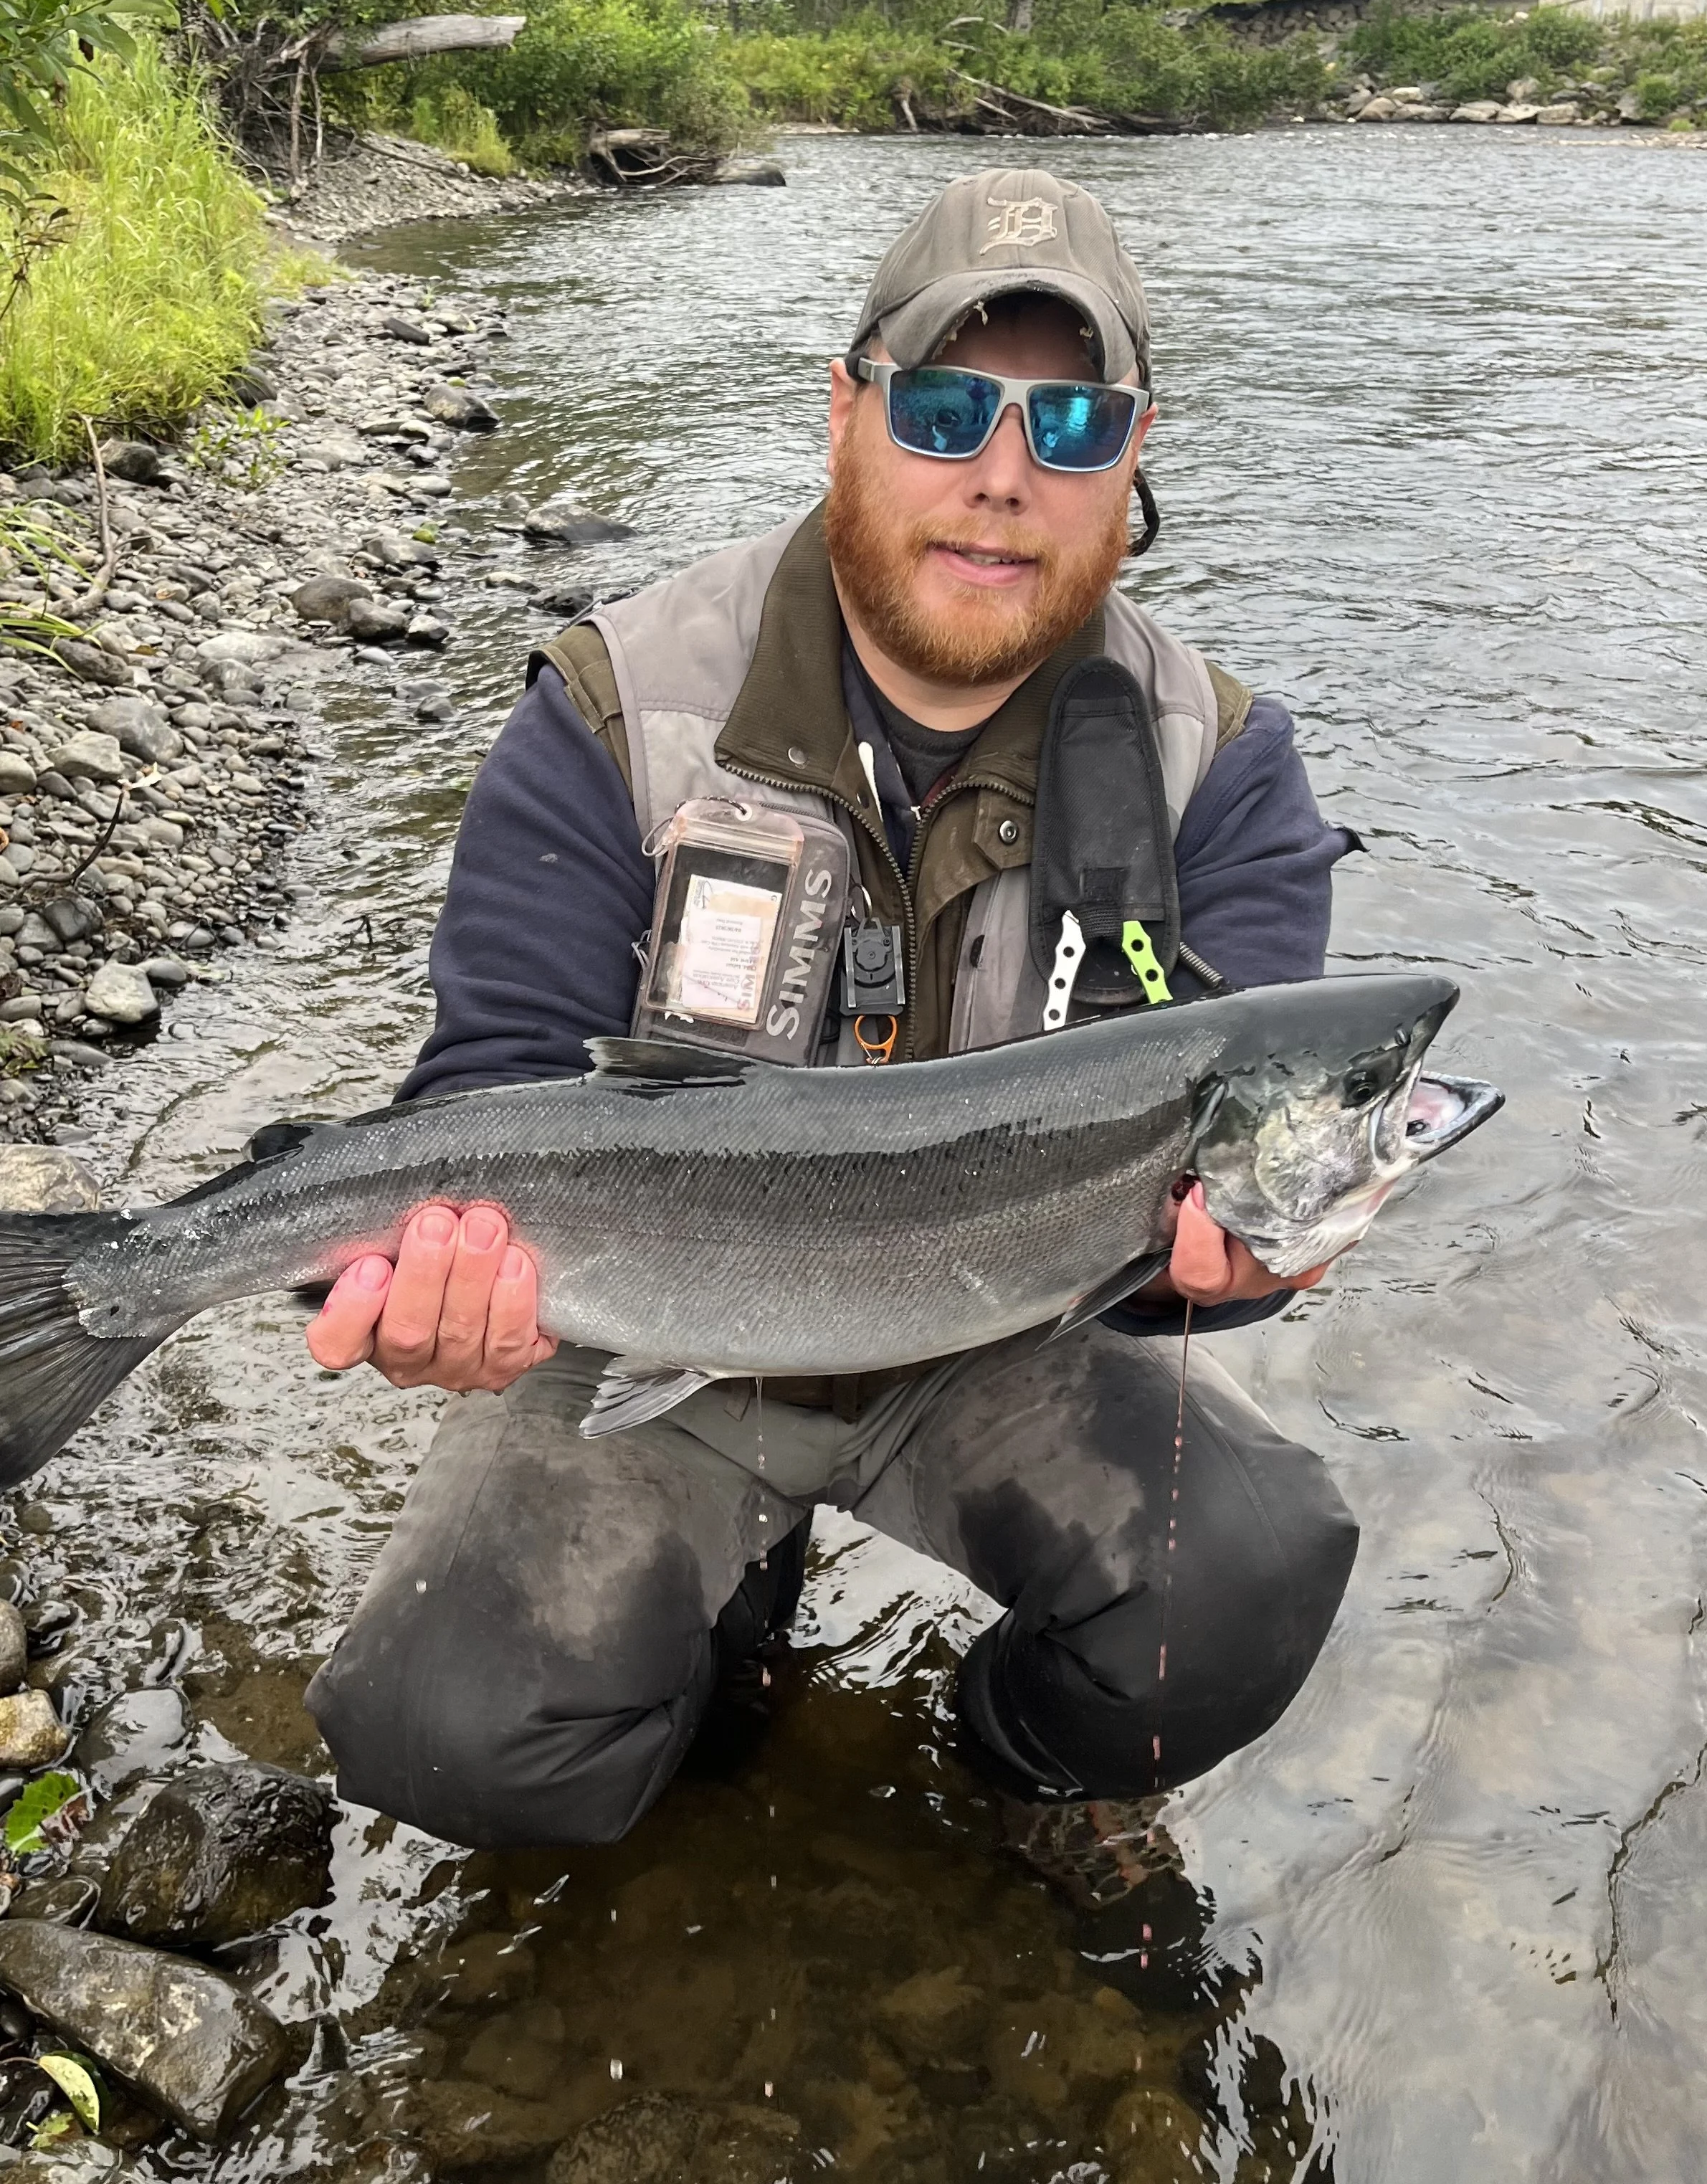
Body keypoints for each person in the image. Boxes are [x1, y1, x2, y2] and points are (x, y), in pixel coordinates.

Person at [301, 168, 1361, 1904]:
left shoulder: (1219, 773)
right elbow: (486, 1096)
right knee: (446, 1725)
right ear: (844, 414)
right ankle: (709, 1659)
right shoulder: (615, 707)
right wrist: (444, 1297)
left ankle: (1019, 1765)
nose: (1002, 476)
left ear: (1133, 459)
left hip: (986, 1334)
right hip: (654, 1325)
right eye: (947, 405)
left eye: (1071, 424)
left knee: (1242, 1573)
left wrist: (1232, 1262)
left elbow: (1176, 1240)